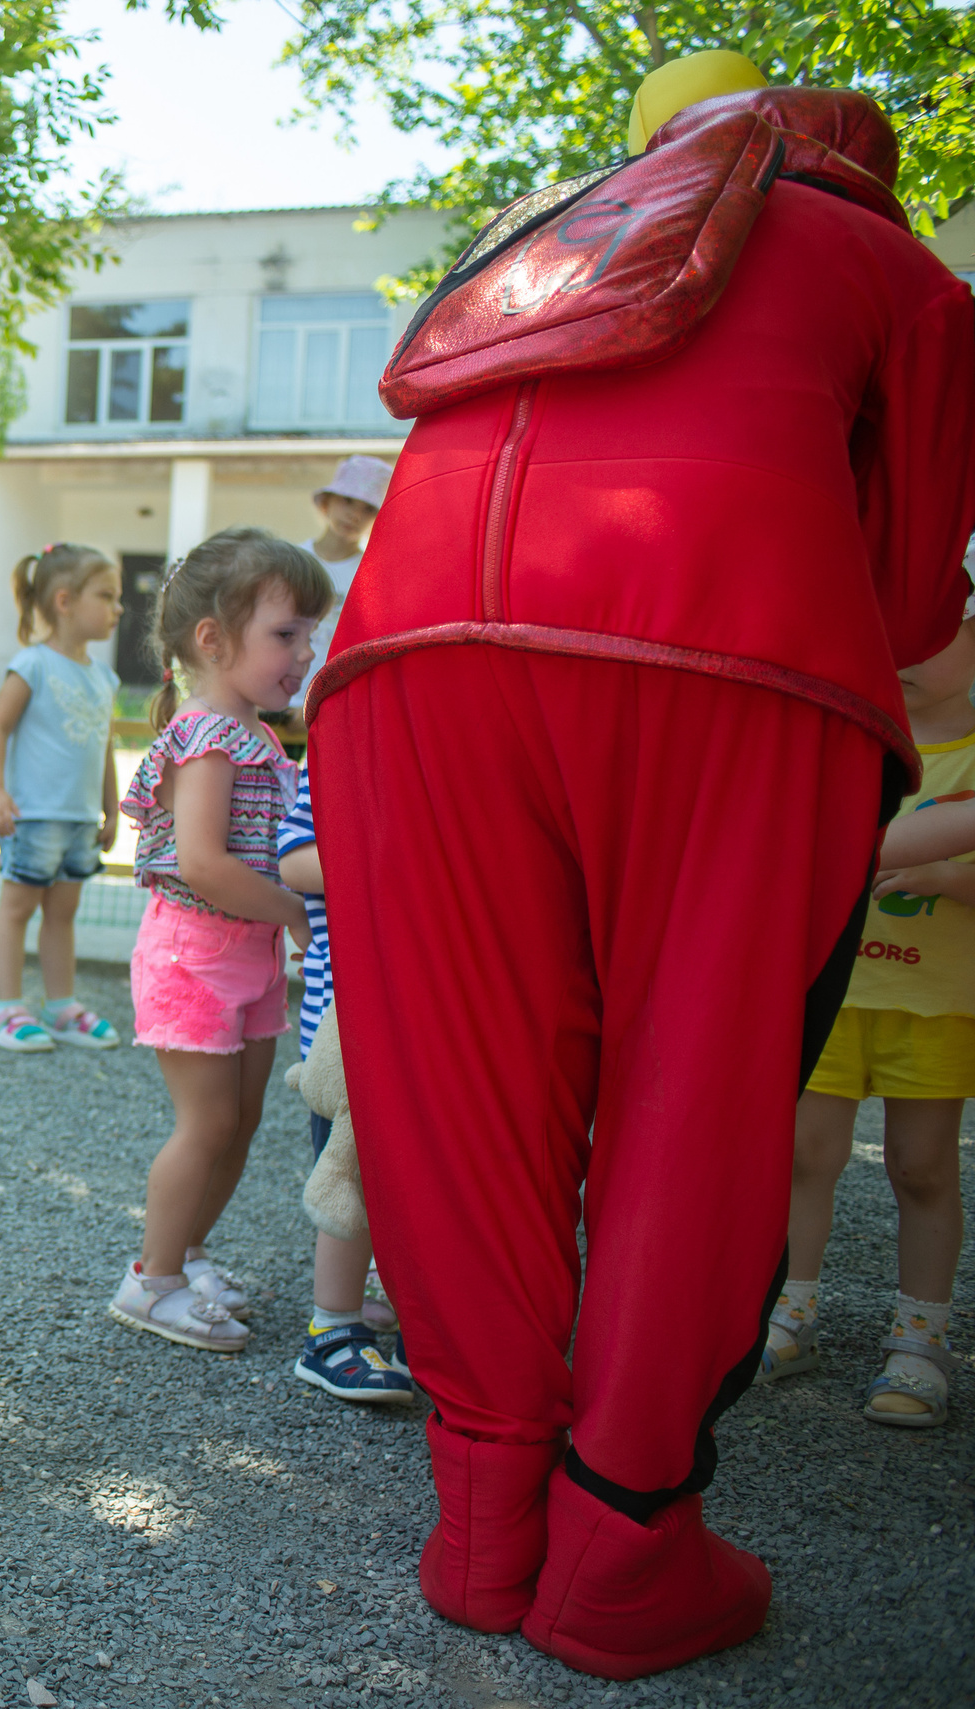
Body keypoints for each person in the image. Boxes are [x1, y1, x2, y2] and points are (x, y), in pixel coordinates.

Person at [303, 57, 975, 1679]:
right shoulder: (902, 272)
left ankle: (481, 1525)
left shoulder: (555, 239)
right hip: (734, 657)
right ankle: (622, 1543)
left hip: (404, 652)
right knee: (699, 1082)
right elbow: (909, 608)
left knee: (463, 1084)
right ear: (871, 173)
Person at [105, 528, 330, 1353]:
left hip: (245, 957)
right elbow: (201, 863)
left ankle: (186, 1252)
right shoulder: (206, 736)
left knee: (238, 1122)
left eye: (309, 633)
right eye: (286, 633)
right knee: (204, 1125)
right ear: (212, 637)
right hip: (195, 956)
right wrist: (295, 913)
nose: (305, 652)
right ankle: (150, 1278)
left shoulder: (261, 736)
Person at [765, 588, 975, 1427]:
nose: (906, 657)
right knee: (805, 1155)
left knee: (922, 1168)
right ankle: (790, 1313)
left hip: (936, 1006)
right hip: (838, 997)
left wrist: (950, 877)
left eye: (935, 636)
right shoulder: (858, 746)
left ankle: (919, 1341)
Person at [275, 763, 413, 1403]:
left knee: (426, 1187)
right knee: (347, 1177)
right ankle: (331, 1328)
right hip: (346, 1030)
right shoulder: (338, 751)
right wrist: (405, 856)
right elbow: (295, 860)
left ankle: (422, 1324)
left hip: (430, 1024)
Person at [0, 543, 125, 1052]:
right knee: (17, 908)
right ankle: (7, 1009)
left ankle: (61, 1006)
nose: (118, 607)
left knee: (63, 914)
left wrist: (110, 807)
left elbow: (103, 747)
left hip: (80, 820)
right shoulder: (32, 665)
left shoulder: (105, 678)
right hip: (32, 815)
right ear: (64, 601)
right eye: (107, 595)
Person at [291, 456, 388, 709]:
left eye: (367, 508)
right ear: (326, 503)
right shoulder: (292, 561)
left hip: (336, 702)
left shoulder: (373, 574)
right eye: (347, 501)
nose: (354, 515)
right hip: (281, 695)